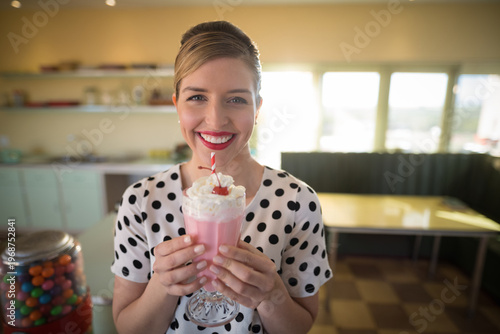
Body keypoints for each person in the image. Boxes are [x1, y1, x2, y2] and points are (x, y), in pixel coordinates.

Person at [111, 20, 332, 334]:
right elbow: (128, 328)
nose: (215, 120)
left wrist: (272, 295)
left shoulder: (297, 202)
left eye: (238, 99)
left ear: (257, 109)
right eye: (197, 97)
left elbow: (301, 326)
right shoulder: (140, 202)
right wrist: (162, 285)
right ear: (177, 105)